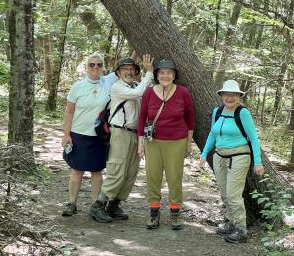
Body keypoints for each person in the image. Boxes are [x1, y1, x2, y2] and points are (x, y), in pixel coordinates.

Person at [90, 54, 154, 223]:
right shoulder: (118, 87)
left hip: (135, 134)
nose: (128, 72)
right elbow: (139, 93)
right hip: (119, 133)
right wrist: (150, 72)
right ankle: (98, 205)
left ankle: (114, 204)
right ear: (118, 73)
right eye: (124, 69)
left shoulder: (136, 85)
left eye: (131, 69)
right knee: (117, 169)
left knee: (131, 171)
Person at [200, 79, 264, 243]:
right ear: (221, 96)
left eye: (233, 95)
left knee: (233, 194)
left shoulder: (243, 113)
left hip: (239, 157)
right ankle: (230, 222)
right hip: (219, 157)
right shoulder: (217, 111)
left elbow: (254, 139)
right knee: (224, 193)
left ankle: (241, 230)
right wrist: (204, 153)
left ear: (238, 96)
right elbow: (213, 134)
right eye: (226, 94)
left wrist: (258, 162)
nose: (229, 98)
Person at [138, 59, 195, 230]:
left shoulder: (183, 92)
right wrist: (140, 143)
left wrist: (188, 142)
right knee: (153, 176)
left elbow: (190, 118)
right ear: (157, 75)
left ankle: (175, 213)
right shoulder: (149, 92)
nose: (165, 75)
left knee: (174, 177)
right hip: (152, 141)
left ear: (174, 75)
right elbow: (142, 118)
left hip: (177, 141)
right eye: (162, 72)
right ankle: (154, 213)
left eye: (169, 73)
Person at [61, 51, 119, 216]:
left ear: (103, 67)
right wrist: (66, 134)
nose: (95, 67)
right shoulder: (77, 86)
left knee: (96, 171)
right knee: (76, 171)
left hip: (99, 135)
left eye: (99, 65)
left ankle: (95, 206)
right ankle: (71, 203)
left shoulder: (107, 82)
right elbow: (69, 112)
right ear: (87, 67)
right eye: (92, 64)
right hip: (78, 134)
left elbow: (125, 65)